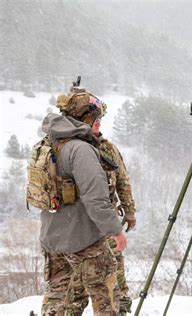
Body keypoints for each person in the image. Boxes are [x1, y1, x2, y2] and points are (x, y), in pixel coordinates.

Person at [39, 87, 127, 315]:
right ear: (82, 119)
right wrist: (115, 230)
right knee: (106, 299)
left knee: (57, 303)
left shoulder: (47, 145)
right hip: (84, 240)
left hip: (52, 239)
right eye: (95, 118)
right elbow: (96, 199)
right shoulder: (81, 150)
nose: (99, 123)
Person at [66, 97, 137, 315]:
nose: (98, 123)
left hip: (106, 225)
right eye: (94, 119)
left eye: (100, 119)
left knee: (114, 280)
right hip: (76, 228)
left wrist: (129, 212)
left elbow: (122, 181)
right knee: (74, 284)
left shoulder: (107, 148)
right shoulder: (69, 148)